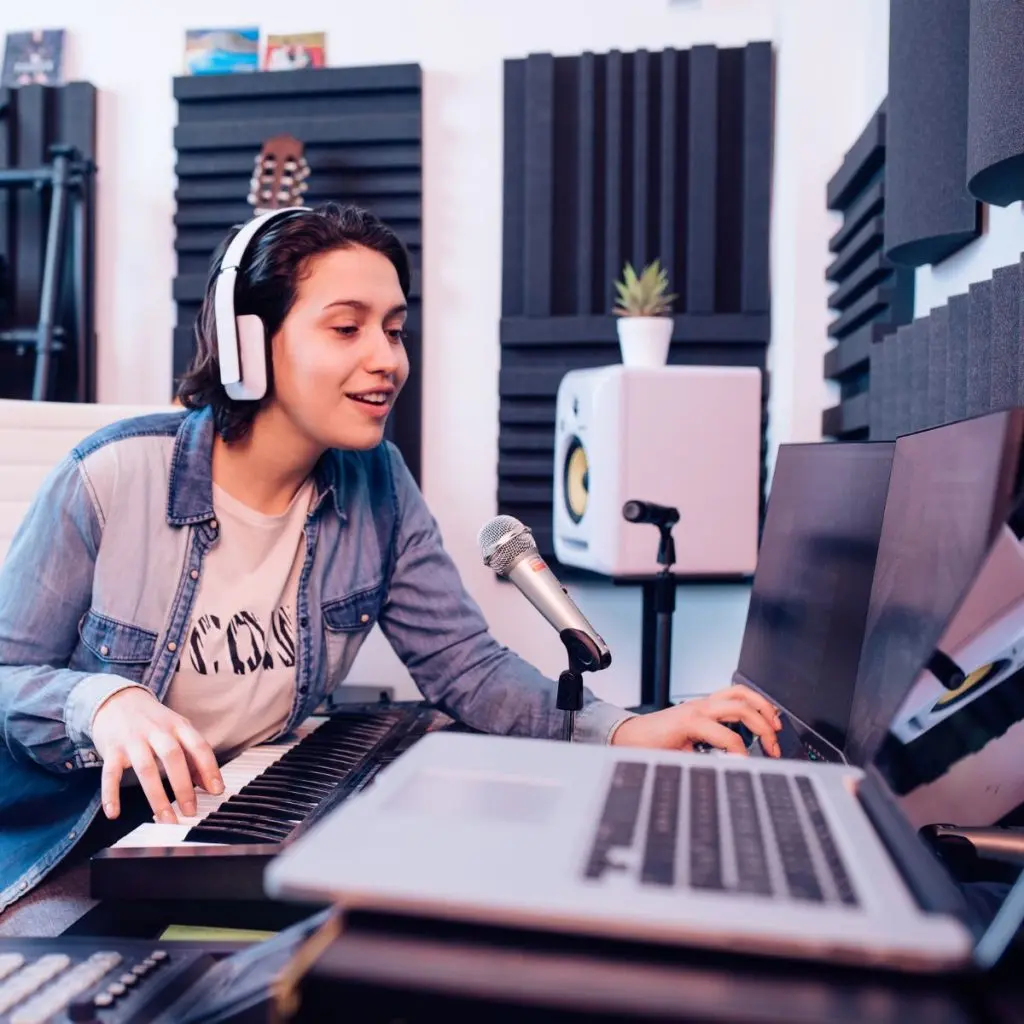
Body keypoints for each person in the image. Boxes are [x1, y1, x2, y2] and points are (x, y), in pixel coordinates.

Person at [0, 202, 781, 927]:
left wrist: (627, 730)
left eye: (395, 329)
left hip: (235, 815)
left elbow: (466, 668)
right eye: (346, 329)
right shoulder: (109, 477)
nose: (387, 360)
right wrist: (102, 702)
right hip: (67, 837)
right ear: (248, 343)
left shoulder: (380, 485)